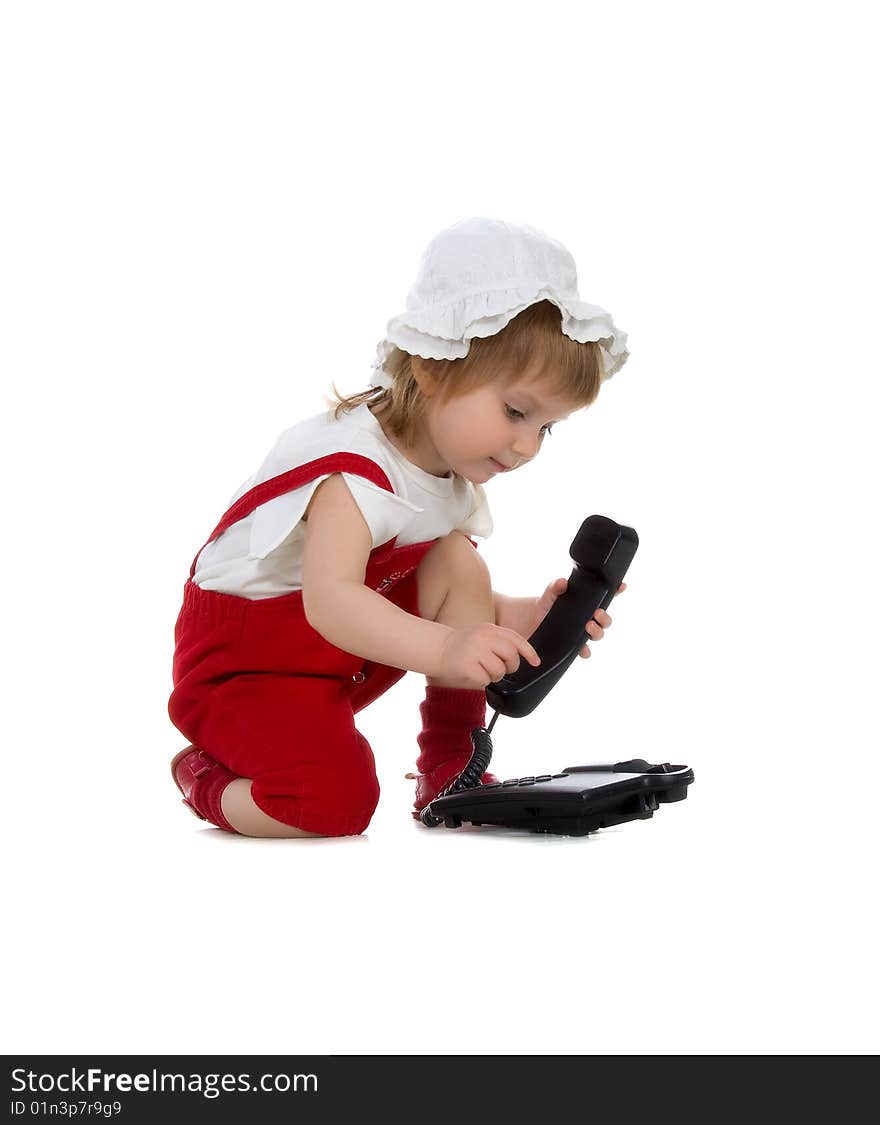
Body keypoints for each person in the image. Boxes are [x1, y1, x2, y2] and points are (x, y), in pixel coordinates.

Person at [168, 216, 630, 839]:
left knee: (457, 558)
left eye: (545, 428)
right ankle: (206, 778)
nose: (527, 447)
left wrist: (527, 618)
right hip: (248, 668)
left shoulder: (444, 476)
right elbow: (333, 600)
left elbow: (433, 597)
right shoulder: (353, 470)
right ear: (432, 369)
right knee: (333, 801)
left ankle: (449, 766)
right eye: (516, 412)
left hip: (330, 659)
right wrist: (447, 649)